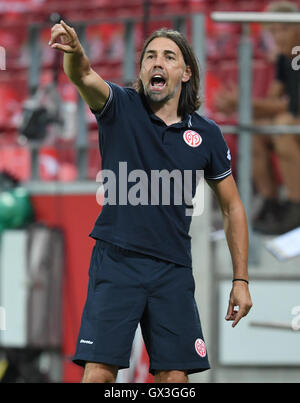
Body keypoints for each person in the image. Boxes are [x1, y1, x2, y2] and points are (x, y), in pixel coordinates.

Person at [49, 21, 252, 383]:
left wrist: (241, 279)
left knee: (175, 378)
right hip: (117, 261)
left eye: (169, 57)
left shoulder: (207, 135)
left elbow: (233, 207)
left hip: (172, 270)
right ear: (141, 69)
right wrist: (77, 54)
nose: (157, 63)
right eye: (150, 57)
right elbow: (83, 76)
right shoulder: (119, 107)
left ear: (185, 72)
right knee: (99, 375)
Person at [216, 1, 300, 235]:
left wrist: (242, 103)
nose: (277, 37)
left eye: (282, 29)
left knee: (282, 126)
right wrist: (240, 106)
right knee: (256, 129)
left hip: (293, 123)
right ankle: (270, 202)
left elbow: (286, 107)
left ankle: (296, 204)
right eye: (272, 32)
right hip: (293, 120)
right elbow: (273, 102)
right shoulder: (286, 58)